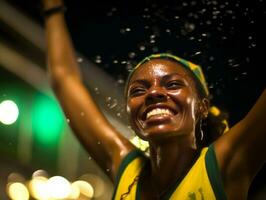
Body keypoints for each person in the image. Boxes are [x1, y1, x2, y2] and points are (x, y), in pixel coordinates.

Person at [41, 0, 266, 199]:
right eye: (138, 91)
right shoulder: (126, 169)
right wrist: (52, 8)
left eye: (173, 84)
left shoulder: (225, 163)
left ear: (203, 107)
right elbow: (64, 80)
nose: (153, 93)